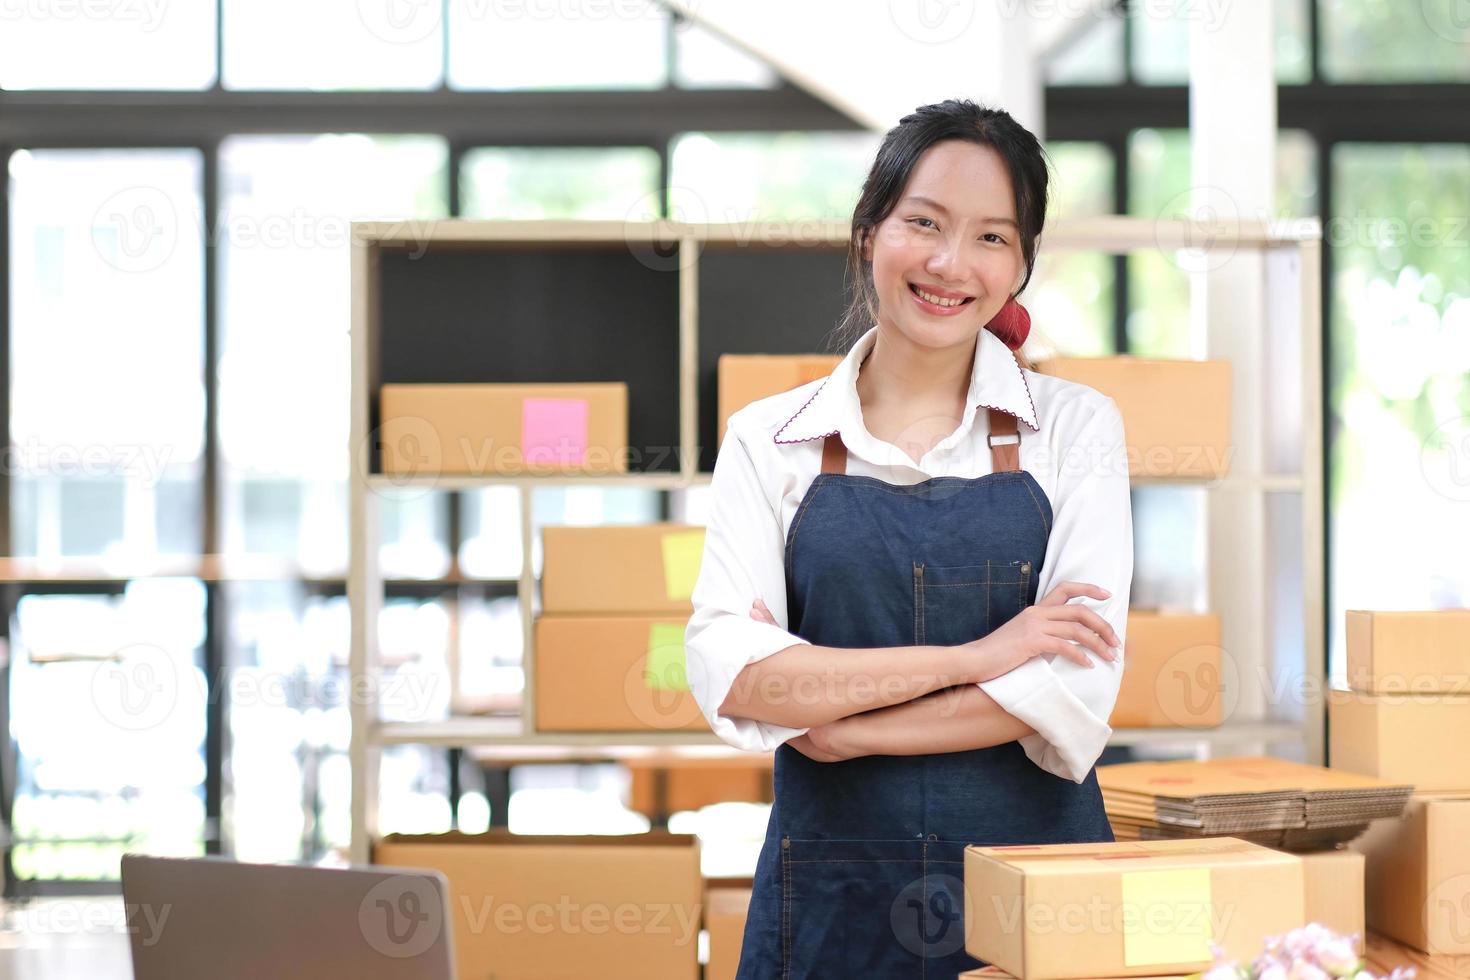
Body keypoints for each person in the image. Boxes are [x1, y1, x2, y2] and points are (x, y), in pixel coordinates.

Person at [683, 98, 1134, 977]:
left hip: (1037, 896)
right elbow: (740, 677)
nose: (949, 263)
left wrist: (847, 726)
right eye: (922, 222)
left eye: (992, 237)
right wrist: (984, 656)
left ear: (1023, 265)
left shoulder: (1076, 430)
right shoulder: (766, 440)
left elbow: (1073, 687)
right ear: (867, 231)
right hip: (832, 902)